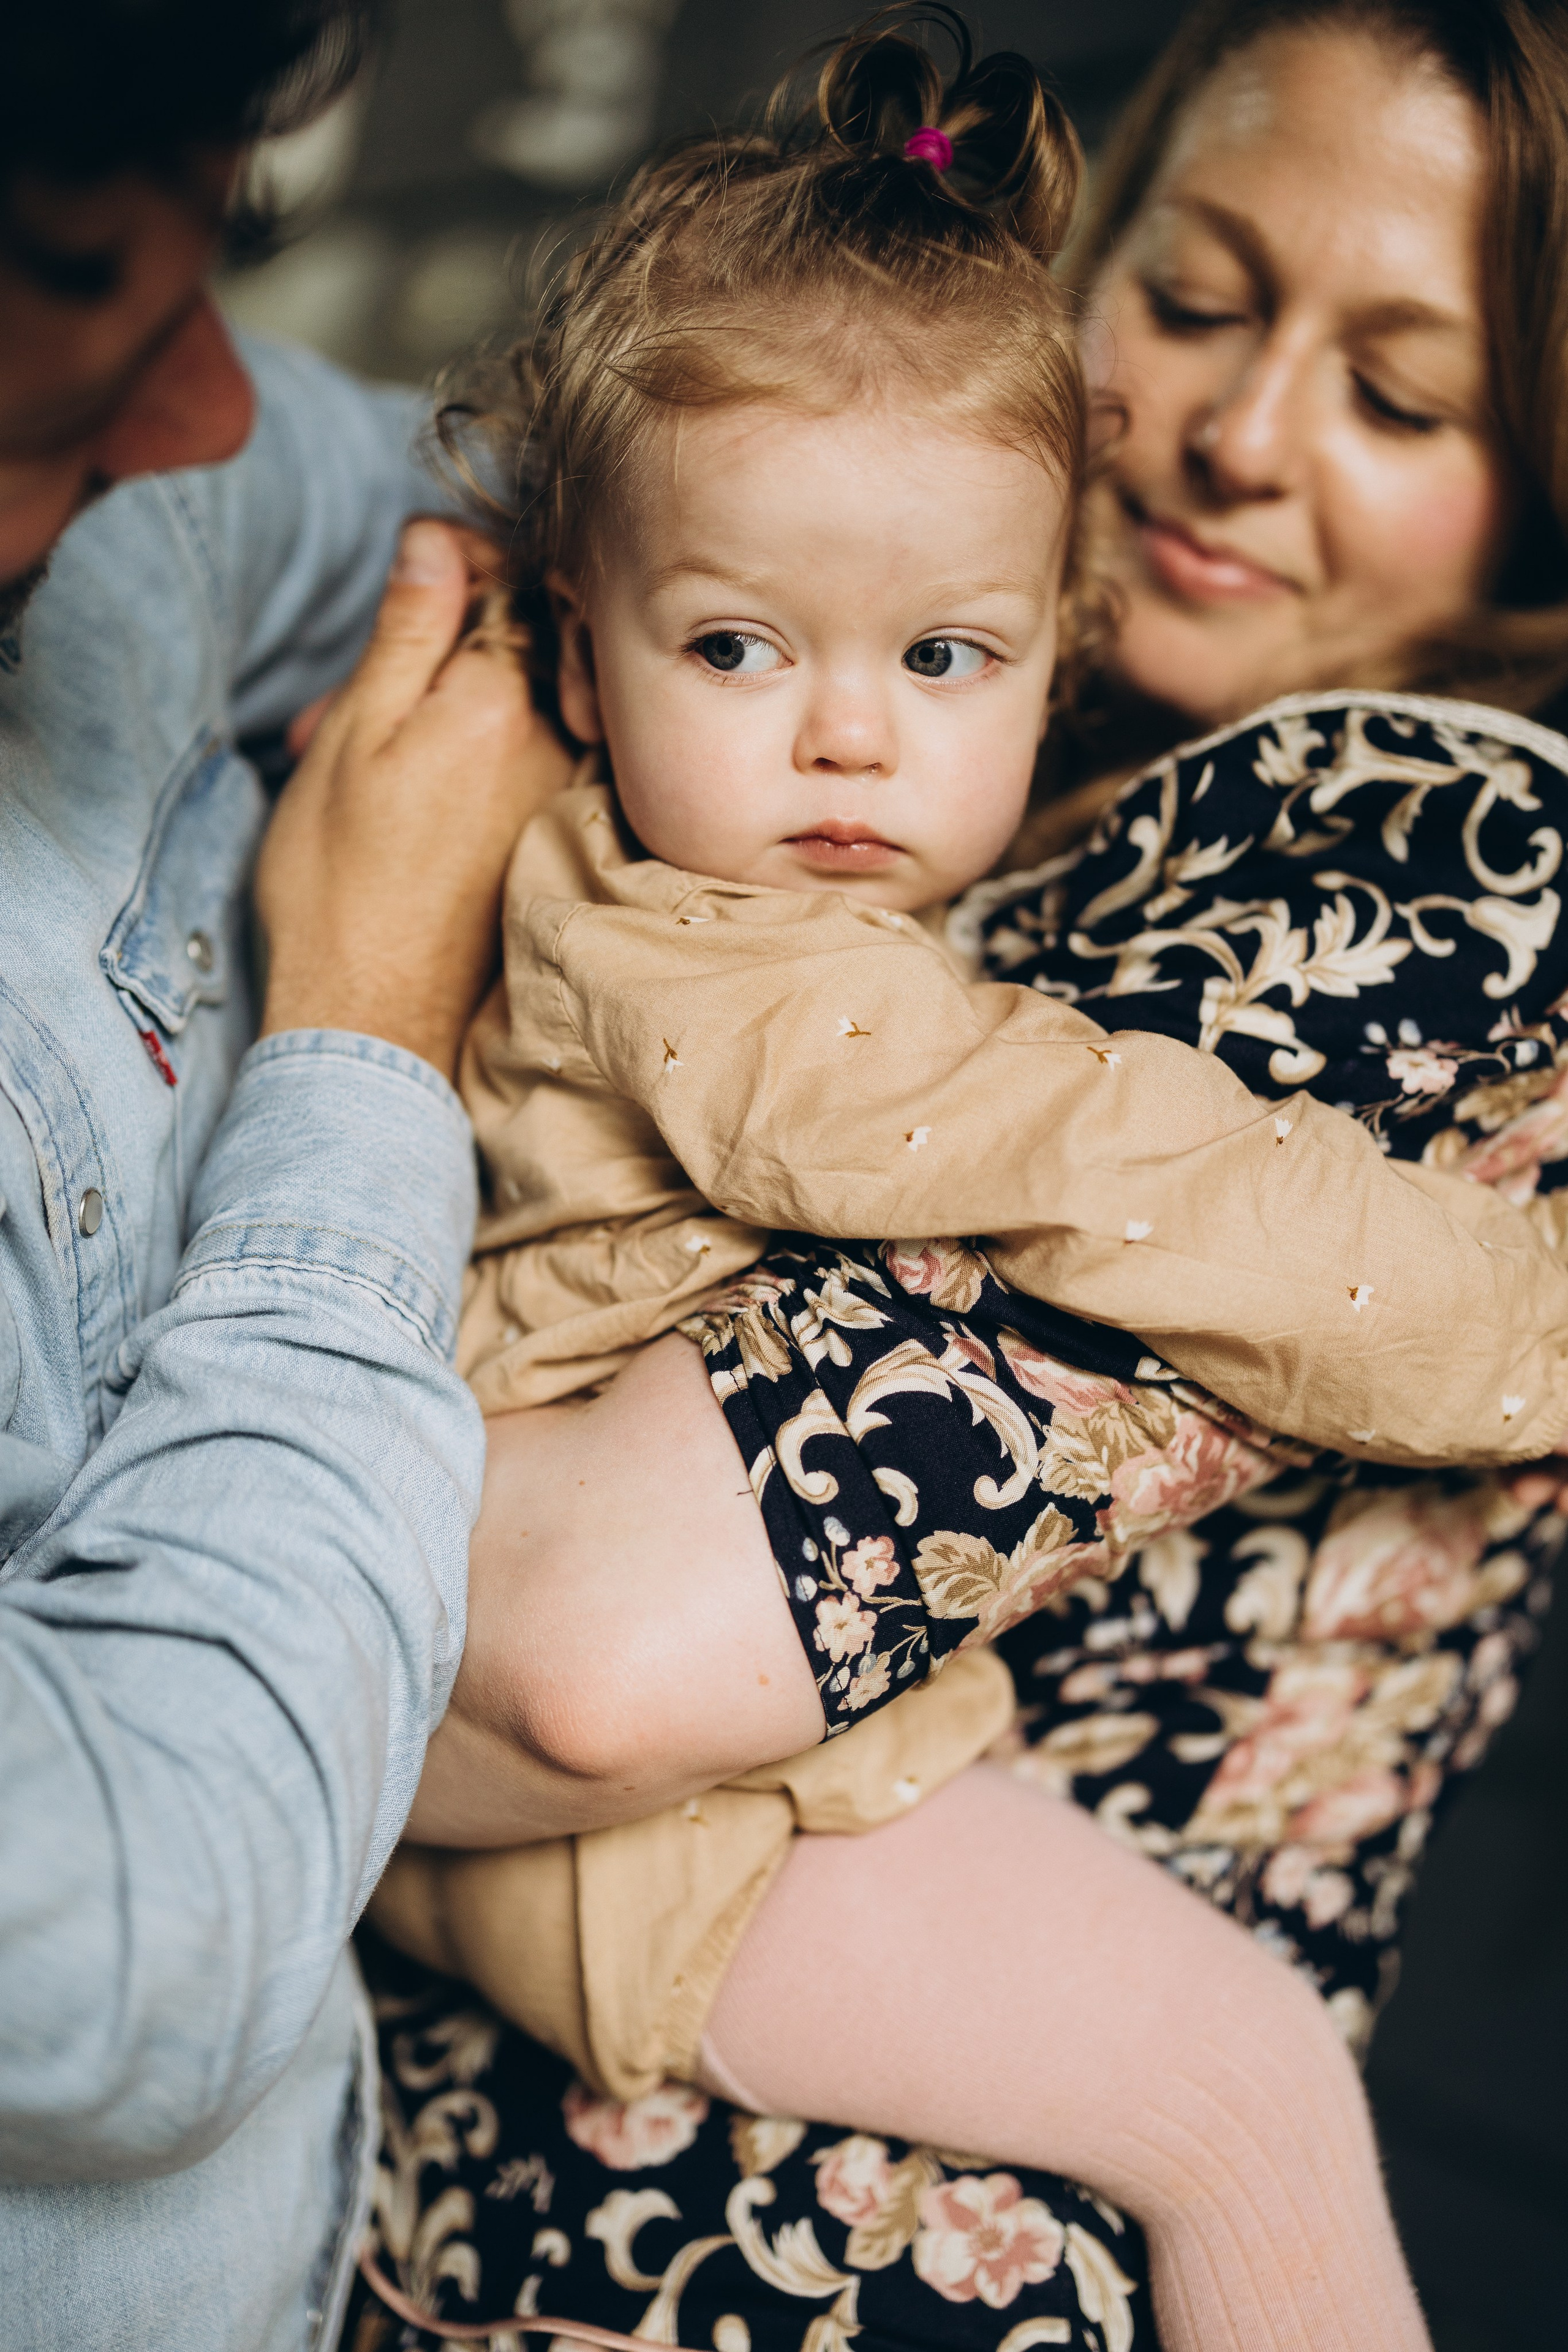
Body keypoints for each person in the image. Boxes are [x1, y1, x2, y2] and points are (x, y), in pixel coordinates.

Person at [354, 6, 1568, 2351]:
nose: (1231, 432)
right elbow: (1096, 1153)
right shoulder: (821, 902)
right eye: (1196, 300)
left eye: (1400, 399)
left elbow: (592, 1649)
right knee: (1242, 2098)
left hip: (857, 2154)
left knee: (1237, 2099)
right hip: (648, 1972)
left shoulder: (1453, 867)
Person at [0, 5, 574, 2346]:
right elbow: (150, 1927)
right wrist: (363, 1034)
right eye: (55, 280)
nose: (206, 405)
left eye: (211, 259)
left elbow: (499, 498)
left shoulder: (119, 513)